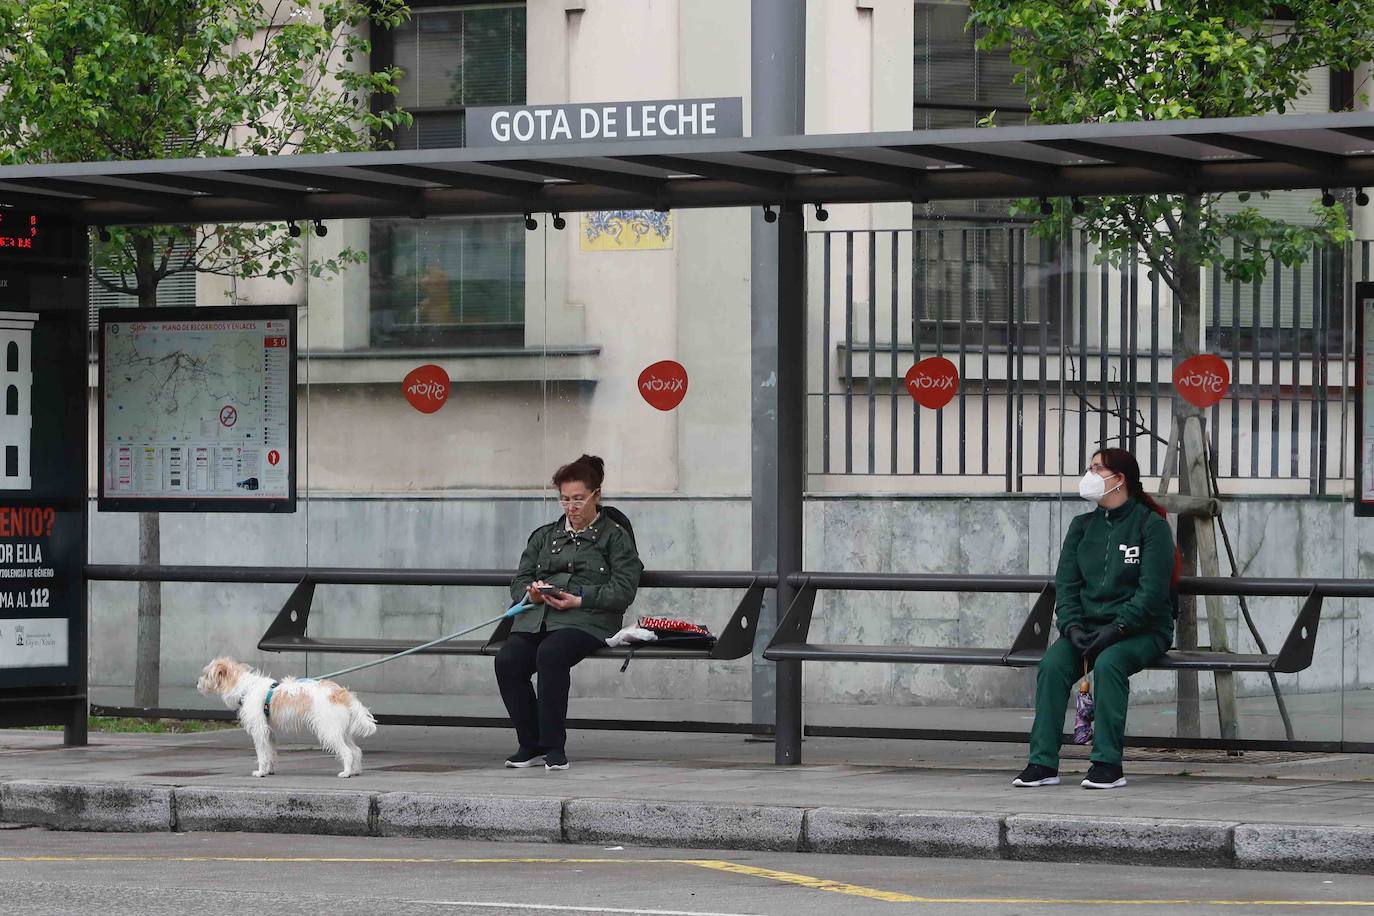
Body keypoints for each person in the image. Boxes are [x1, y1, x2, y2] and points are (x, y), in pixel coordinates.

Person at [1013, 447, 1176, 790]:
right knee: (1054, 664)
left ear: (1120, 479)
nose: (1089, 475)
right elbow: (1067, 585)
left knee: (1109, 664)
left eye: (1097, 469)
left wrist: (1117, 629)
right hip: (1086, 629)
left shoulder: (1152, 526)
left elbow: (1152, 593)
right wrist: (1071, 627)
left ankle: (1107, 764)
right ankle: (1042, 763)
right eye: (1089, 468)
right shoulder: (1081, 526)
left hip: (1142, 630)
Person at [494, 454, 644, 771]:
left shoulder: (615, 537)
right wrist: (530, 592)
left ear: (596, 496)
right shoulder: (545, 536)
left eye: (578, 499)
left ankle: (553, 747)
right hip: (539, 617)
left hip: (587, 620)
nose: (571, 507)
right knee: (508, 660)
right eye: (564, 499)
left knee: (551, 654)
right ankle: (529, 743)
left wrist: (578, 599)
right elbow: (519, 579)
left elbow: (623, 590)